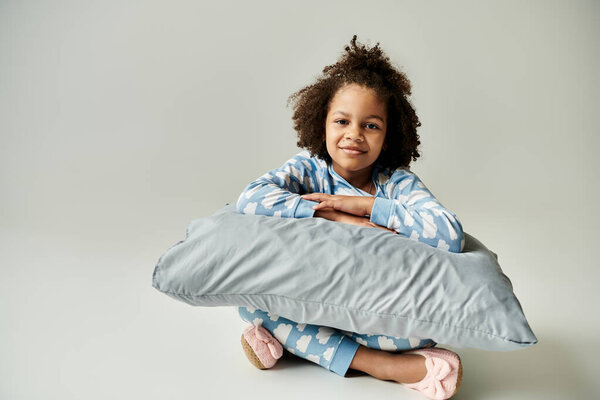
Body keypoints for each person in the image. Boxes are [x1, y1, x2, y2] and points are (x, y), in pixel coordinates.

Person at [235, 35, 464, 400]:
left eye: (371, 125)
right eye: (342, 121)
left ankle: (299, 344)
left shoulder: (397, 182)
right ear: (322, 124)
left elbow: (449, 234)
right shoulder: (308, 169)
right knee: (247, 299)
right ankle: (378, 365)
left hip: (374, 307)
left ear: (388, 137)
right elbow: (249, 199)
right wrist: (329, 214)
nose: (353, 135)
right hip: (311, 296)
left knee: (422, 335)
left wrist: (360, 206)